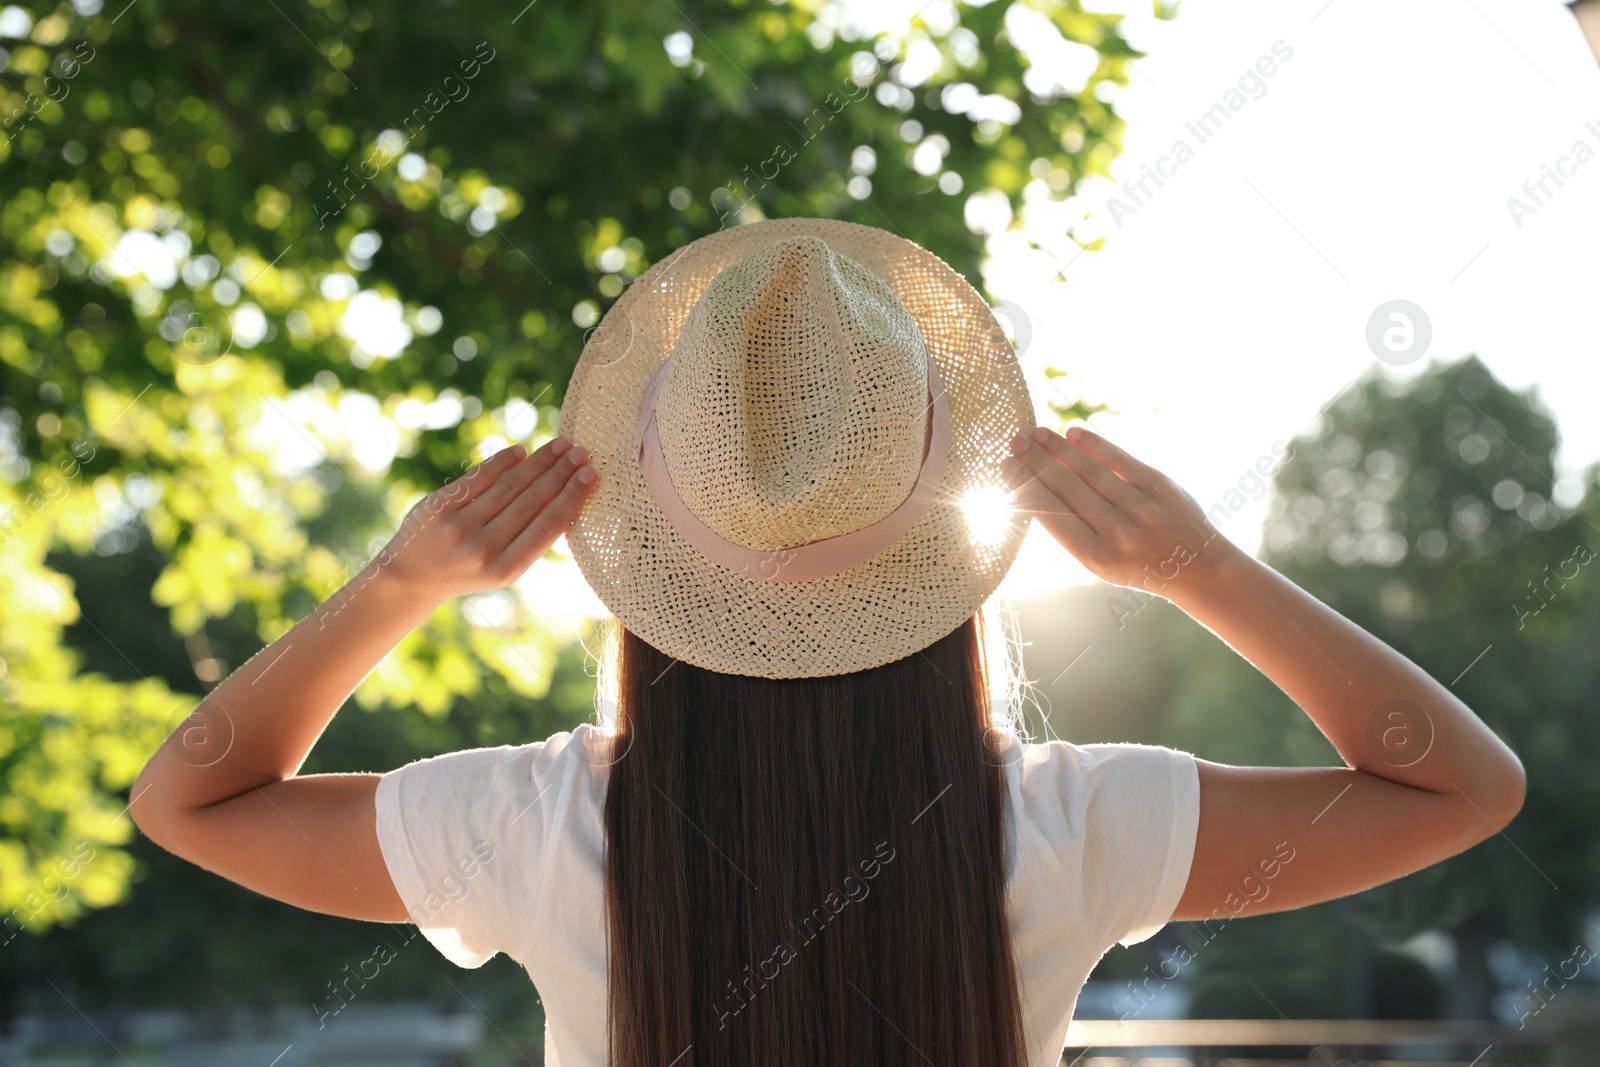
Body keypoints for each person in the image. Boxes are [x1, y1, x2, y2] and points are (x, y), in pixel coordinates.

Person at [131, 219, 1526, 1067]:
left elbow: (191, 799)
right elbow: (1458, 785)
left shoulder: (531, 819)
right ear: (947, 558)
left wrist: (396, 586)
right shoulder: (1066, 823)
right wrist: (1196, 565)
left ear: (654, 556)